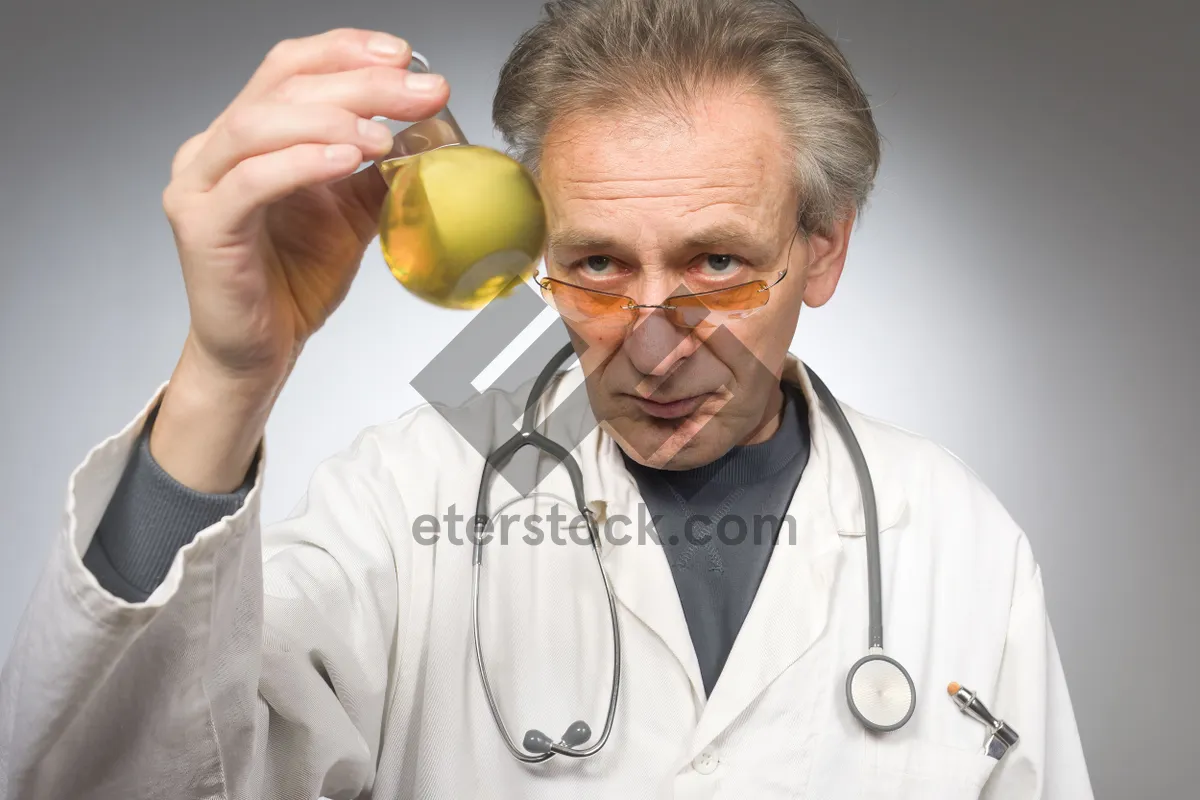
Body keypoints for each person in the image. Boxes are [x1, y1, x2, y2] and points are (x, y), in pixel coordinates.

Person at [0, 1, 1094, 798]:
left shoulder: (955, 533)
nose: (654, 344)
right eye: (599, 266)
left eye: (717, 262)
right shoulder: (412, 491)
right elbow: (112, 772)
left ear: (824, 249)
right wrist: (228, 376)